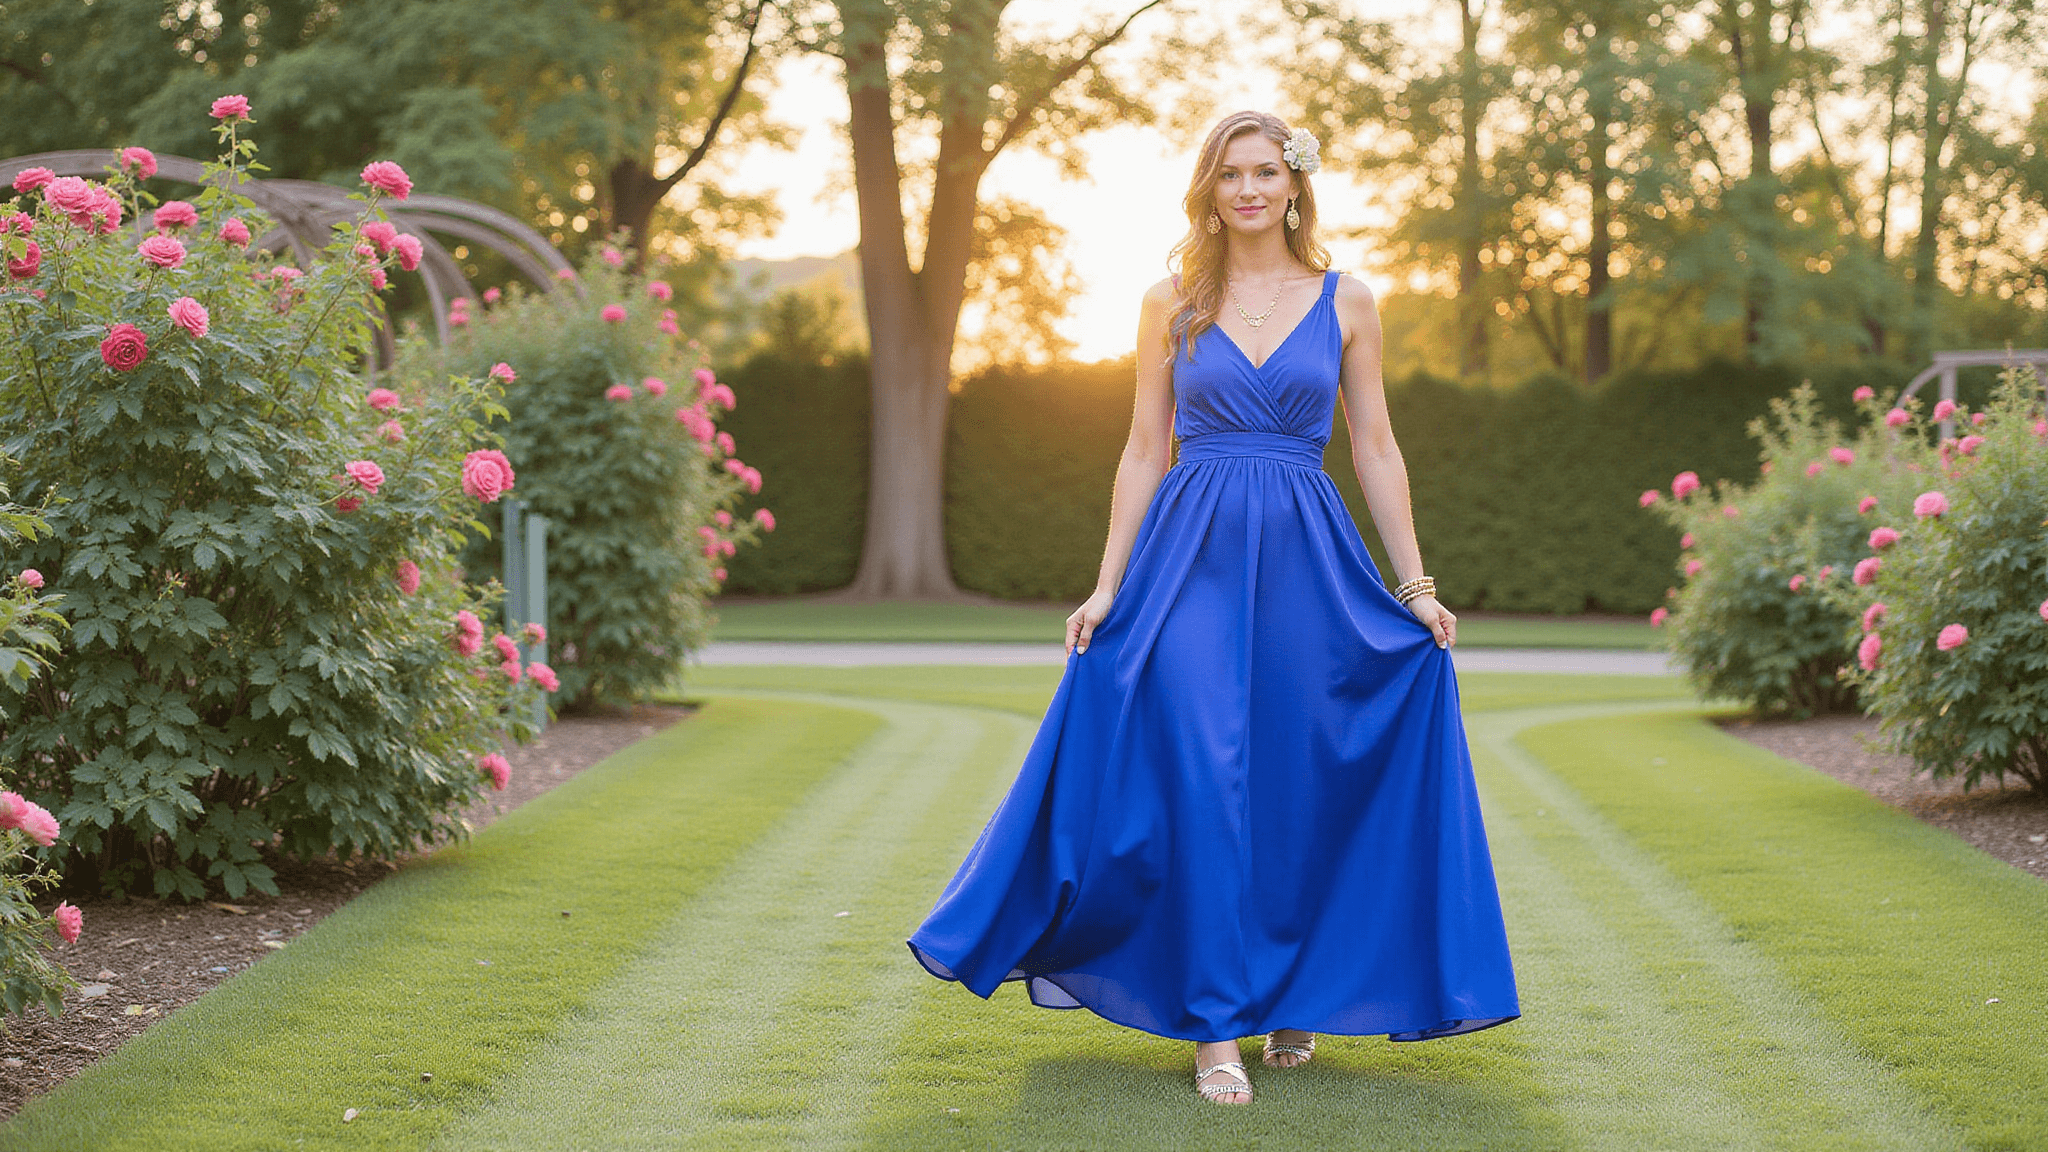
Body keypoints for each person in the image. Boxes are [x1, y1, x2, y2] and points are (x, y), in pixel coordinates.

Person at [906, 110, 1520, 1107]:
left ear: (1292, 185)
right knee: (1201, 771)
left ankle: (1292, 995)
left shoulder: (1347, 297)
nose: (1246, 187)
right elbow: (1143, 448)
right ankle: (1212, 1025)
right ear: (1208, 187)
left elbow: (1372, 446)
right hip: (1186, 556)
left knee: (1299, 772)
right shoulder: (1168, 301)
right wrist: (1107, 585)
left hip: (1307, 558)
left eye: (1263, 170)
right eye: (1228, 172)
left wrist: (1414, 586)